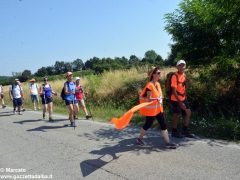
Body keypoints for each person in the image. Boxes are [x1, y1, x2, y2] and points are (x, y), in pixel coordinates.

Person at [137, 67, 177, 149]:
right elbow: (148, 99)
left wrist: (161, 98)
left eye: (160, 73)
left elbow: (159, 95)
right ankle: (139, 138)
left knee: (163, 124)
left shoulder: (158, 84)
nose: (160, 74)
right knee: (148, 124)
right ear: (153, 75)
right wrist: (157, 99)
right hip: (151, 111)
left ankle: (168, 142)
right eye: (158, 73)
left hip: (158, 109)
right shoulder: (149, 85)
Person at [170, 60, 194, 138]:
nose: (182, 67)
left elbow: (184, 87)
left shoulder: (184, 75)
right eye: (180, 65)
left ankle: (185, 130)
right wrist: (180, 102)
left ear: (185, 66)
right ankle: (174, 131)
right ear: (177, 67)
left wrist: (185, 97)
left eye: (183, 65)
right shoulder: (174, 76)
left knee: (188, 112)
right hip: (175, 99)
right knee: (176, 115)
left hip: (183, 98)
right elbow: (173, 91)